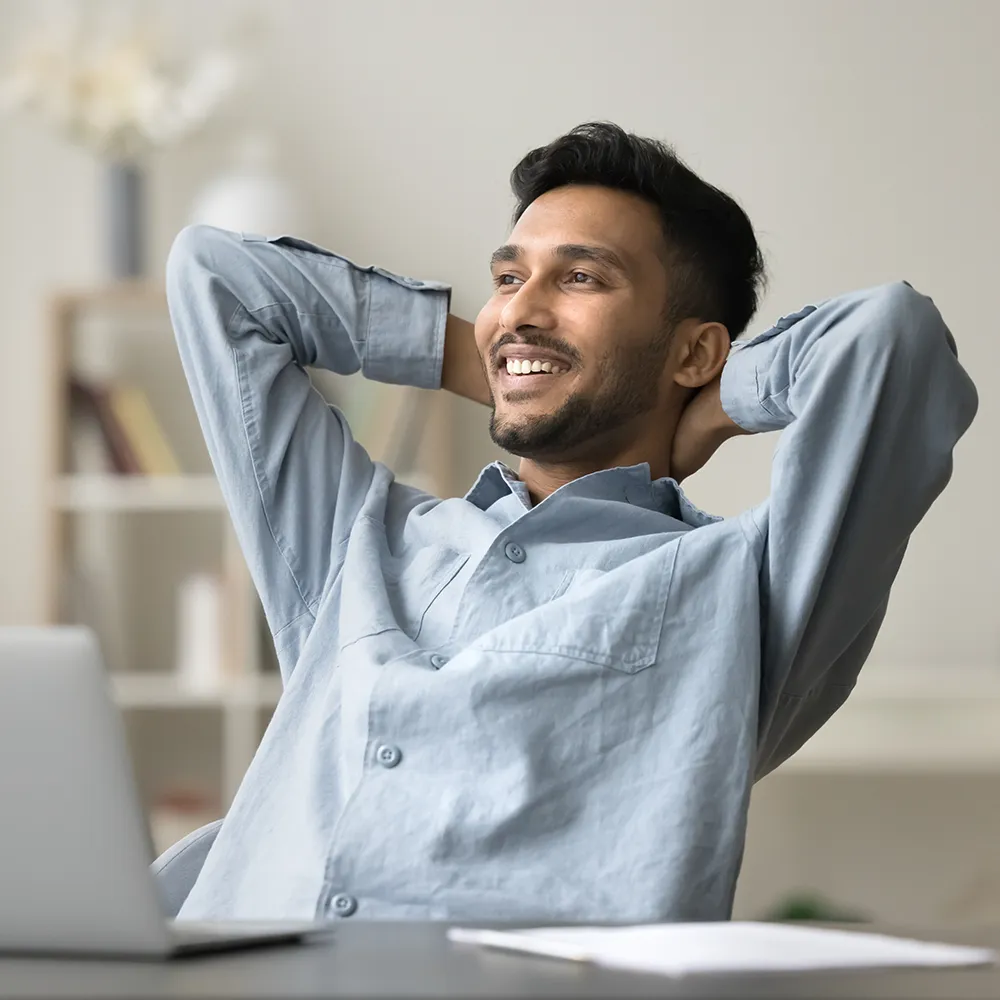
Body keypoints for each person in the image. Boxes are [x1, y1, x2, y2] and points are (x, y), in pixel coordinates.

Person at [165, 121, 977, 923]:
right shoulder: (360, 540)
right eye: (509, 278)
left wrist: (708, 405)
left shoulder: (747, 587)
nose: (522, 307)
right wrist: (501, 359)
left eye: (582, 278)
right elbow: (216, 275)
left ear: (695, 352)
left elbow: (893, 343)